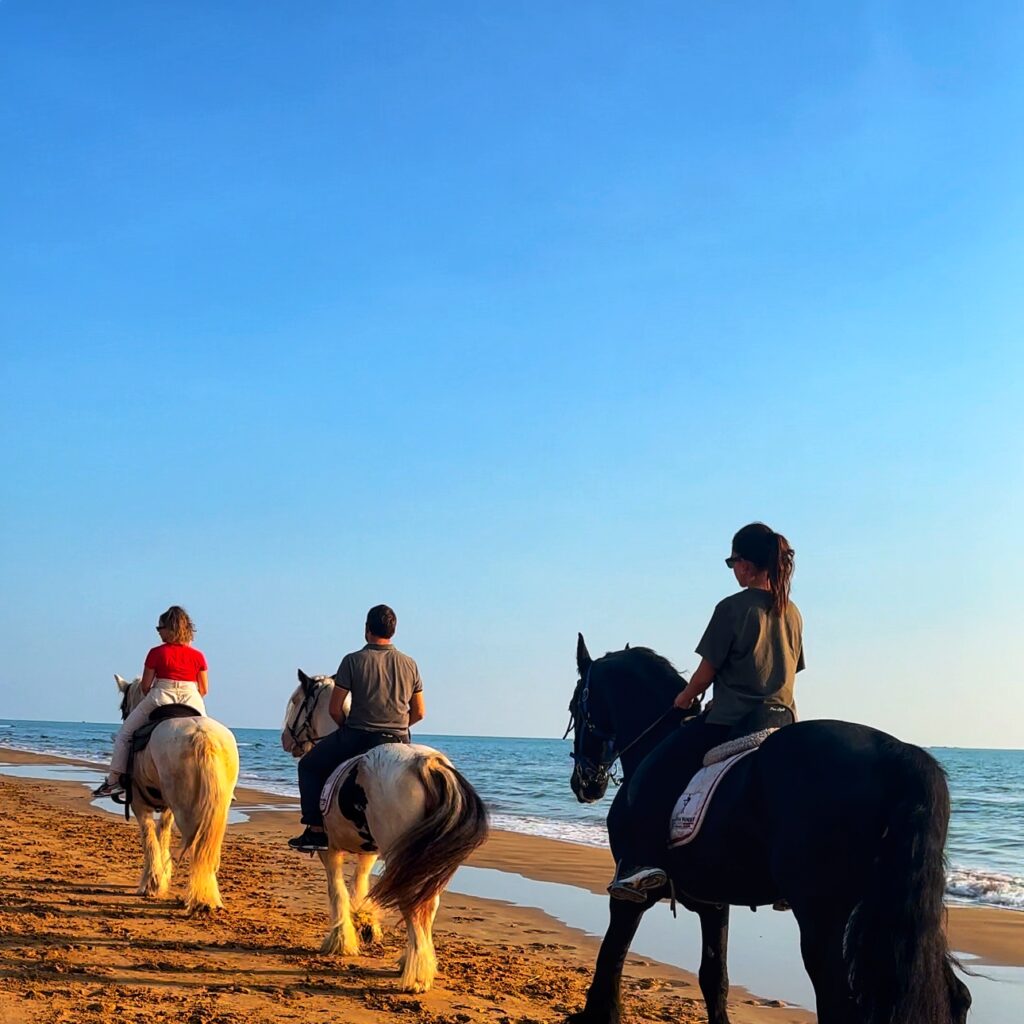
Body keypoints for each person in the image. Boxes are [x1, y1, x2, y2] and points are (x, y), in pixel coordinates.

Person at [607, 523, 804, 902]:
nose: (733, 570)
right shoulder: (792, 612)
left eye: (733, 562)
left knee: (653, 772)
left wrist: (684, 698)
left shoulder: (732, 608)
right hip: (782, 721)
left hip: (732, 721)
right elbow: (791, 669)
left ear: (746, 565)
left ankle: (644, 862)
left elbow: (705, 672)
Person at [288, 604, 426, 852]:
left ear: (366, 629)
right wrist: (397, 727)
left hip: (359, 735)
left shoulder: (352, 661)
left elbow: (334, 709)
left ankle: (315, 831)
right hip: (398, 738)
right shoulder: (410, 664)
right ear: (393, 631)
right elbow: (419, 712)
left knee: (308, 766)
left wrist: (345, 729)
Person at [93, 605, 208, 798]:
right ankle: (222, 785)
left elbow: (145, 686)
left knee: (124, 735)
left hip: (161, 695)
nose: (158, 632)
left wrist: (156, 693)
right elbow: (204, 689)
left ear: (169, 629)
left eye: (159, 628)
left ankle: (113, 782)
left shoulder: (156, 652)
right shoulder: (198, 656)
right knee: (207, 739)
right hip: (192, 699)